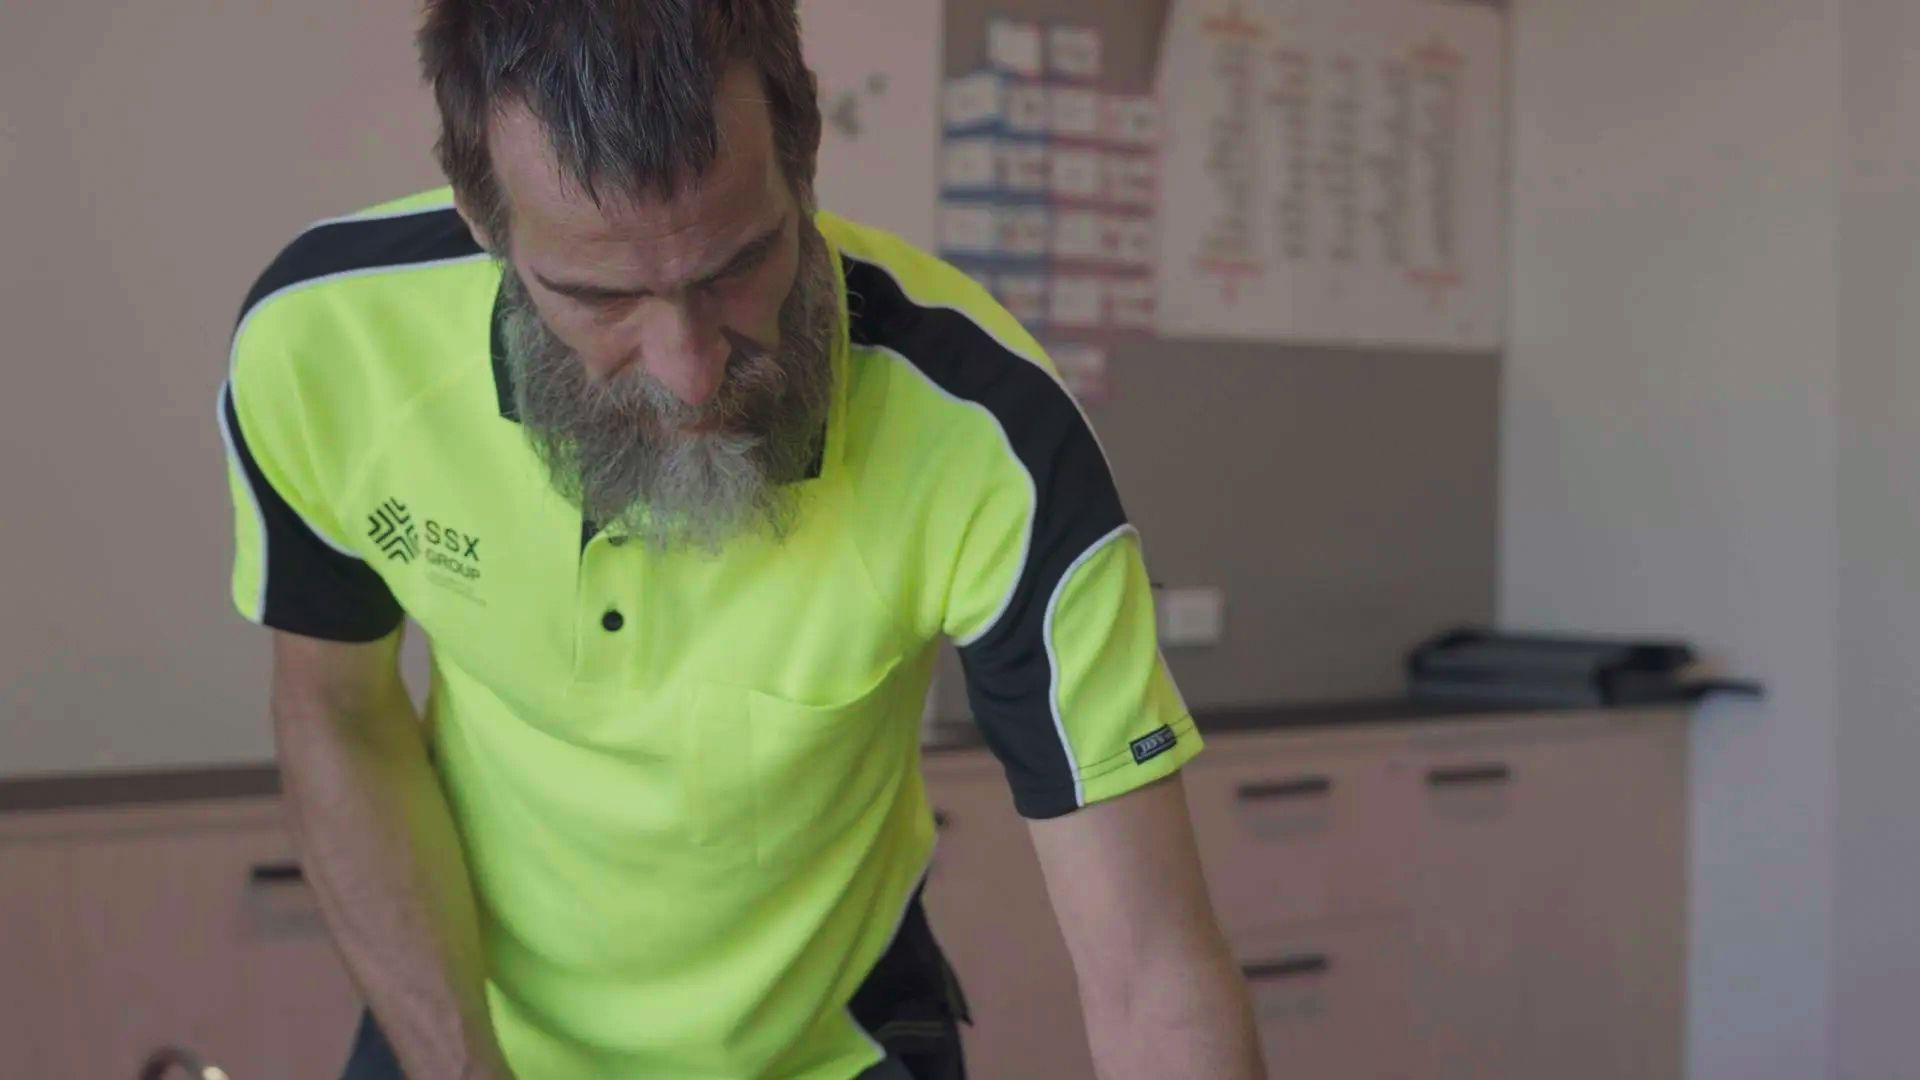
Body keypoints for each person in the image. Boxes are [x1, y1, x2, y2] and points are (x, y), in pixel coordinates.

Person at [217, 2, 1262, 1077]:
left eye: (736, 267)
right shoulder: (323, 345)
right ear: (485, 225)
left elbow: (1150, 973)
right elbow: (337, 708)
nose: (689, 370)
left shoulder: (991, 435)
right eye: (600, 298)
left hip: (831, 1047)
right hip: (463, 1027)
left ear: (804, 160)